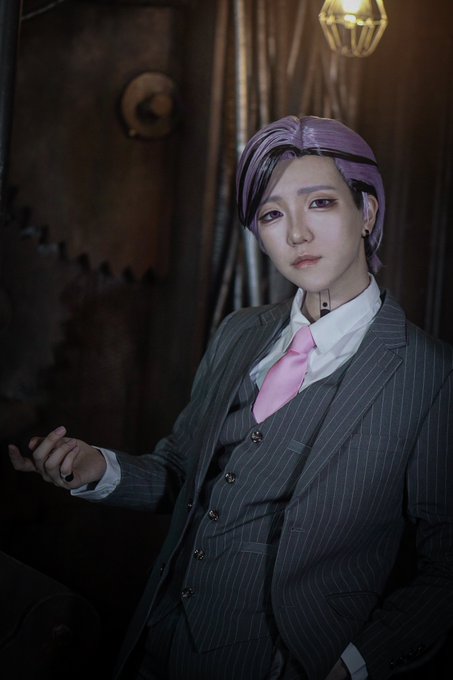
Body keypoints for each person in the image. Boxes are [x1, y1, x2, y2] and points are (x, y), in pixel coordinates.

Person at [8, 116, 453, 680]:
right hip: (158, 643)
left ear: (366, 212)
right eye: (271, 214)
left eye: (319, 203)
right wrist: (99, 468)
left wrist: (353, 663)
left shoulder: (430, 374)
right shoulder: (240, 332)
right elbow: (181, 472)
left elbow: (446, 568)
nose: (296, 234)